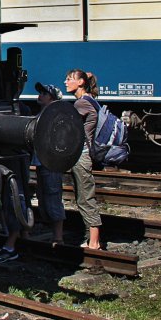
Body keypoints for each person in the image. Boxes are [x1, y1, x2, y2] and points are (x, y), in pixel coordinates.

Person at [65, 68, 103, 249]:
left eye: (69, 79)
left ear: (80, 82)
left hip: (82, 155)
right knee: (84, 197)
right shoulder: (90, 100)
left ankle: (94, 242)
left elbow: (66, 125)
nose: (66, 82)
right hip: (83, 155)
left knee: (85, 198)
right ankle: (92, 240)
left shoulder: (81, 104)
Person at [33, 82, 66, 246]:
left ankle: (58, 237)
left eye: (44, 93)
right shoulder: (44, 113)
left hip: (50, 162)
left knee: (52, 196)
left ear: (51, 97)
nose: (40, 95)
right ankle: (55, 235)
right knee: (45, 196)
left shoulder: (54, 115)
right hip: (42, 162)